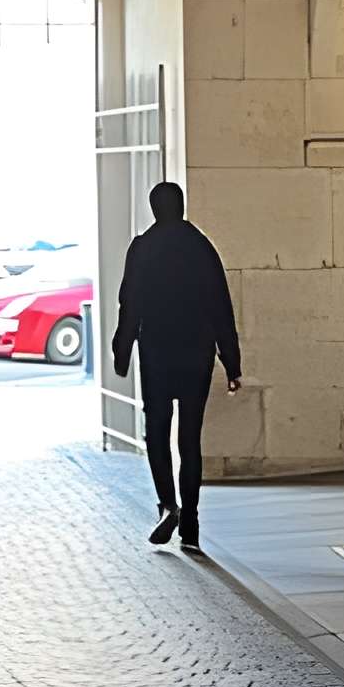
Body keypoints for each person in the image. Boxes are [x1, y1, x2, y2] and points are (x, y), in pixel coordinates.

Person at [111, 179, 240, 552]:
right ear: (181, 207)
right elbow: (221, 308)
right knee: (190, 439)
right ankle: (192, 521)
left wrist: (123, 351)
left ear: (154, 209)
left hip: (156, 354)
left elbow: (129, 305)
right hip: (196, 354)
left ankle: (168, 504)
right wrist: (231, 362)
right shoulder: (201, 248)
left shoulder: (142, 248)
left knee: (157, 433)